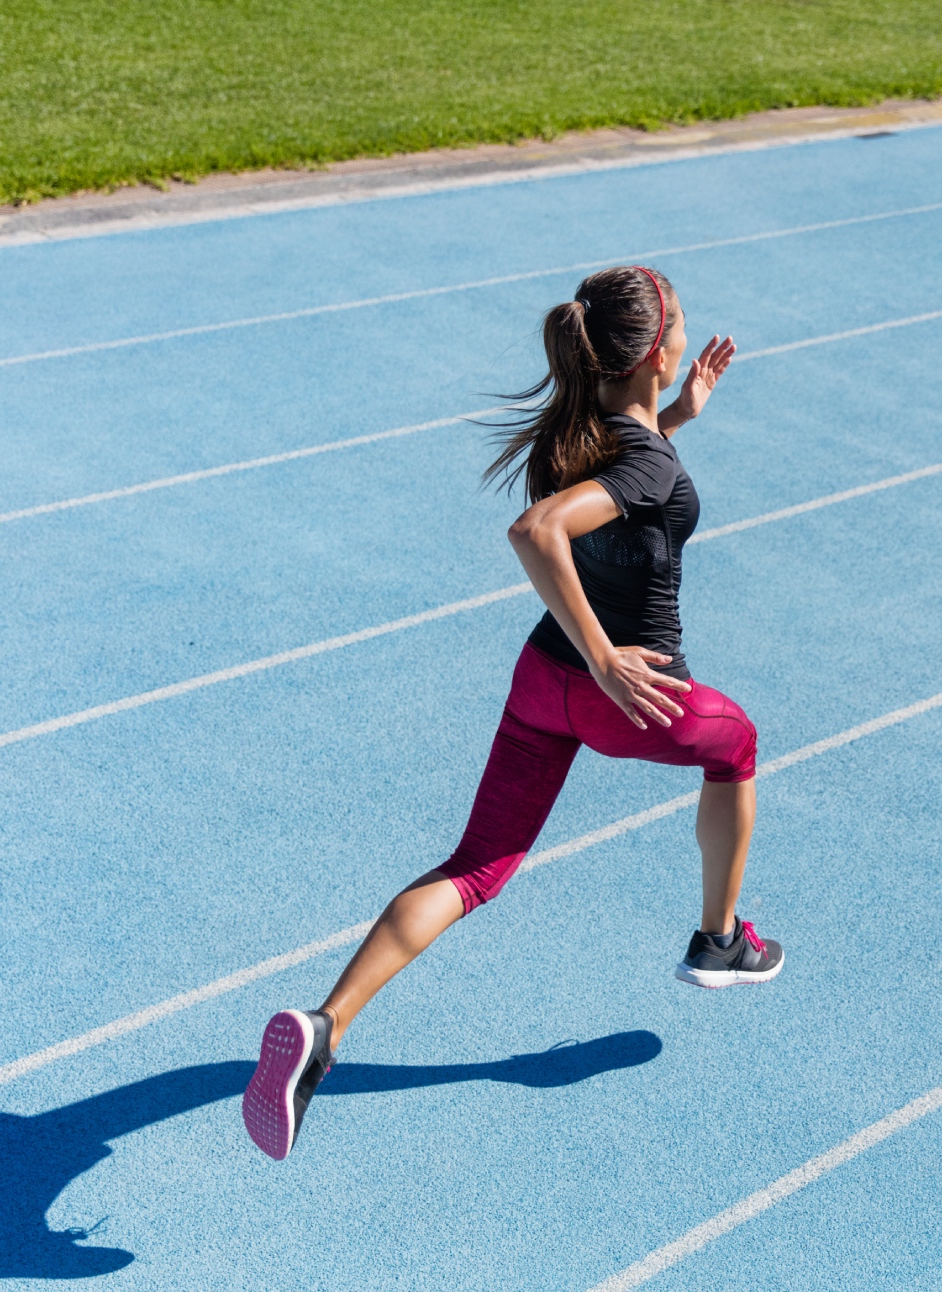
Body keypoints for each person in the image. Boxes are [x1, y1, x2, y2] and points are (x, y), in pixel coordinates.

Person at [243, 265, 777, 1162]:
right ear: (656, 350)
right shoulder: (637, 459)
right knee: (739, 746)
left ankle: (324, 1027)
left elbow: (621, 488)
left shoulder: (584, 431)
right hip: (630, 700)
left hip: (541, 683)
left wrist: (676, 416)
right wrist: (608, 659)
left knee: (477, 867)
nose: (687, 330)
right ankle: (720, 940)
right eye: (679, 320)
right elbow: (539, 531)